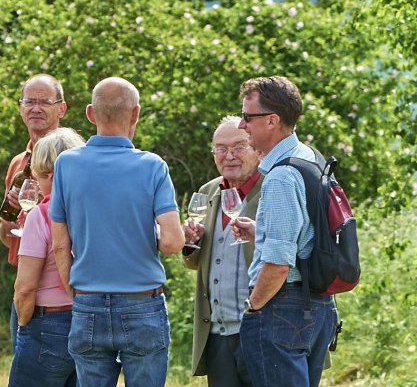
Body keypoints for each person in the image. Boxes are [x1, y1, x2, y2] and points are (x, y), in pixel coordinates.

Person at [49, 77, 184, 387]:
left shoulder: (66, 164)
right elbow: (174, 243)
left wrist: (76, 292)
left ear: (90, 114)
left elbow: (60, 243)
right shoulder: (153, 166)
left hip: (88, 300)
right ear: (135, 114)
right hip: (142, 302)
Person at [229, 76, 338, 387]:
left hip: (282, 308)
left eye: (248, 116)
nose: (241, 124)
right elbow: (309, 233)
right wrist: (261, 233)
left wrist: (253, 308)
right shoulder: (311, 159)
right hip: (318, 306)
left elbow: (278, 265)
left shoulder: (281, 176)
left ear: (272, 121)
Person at [181, 117, 263, 386]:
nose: (229, 156)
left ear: (257, 149)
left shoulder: (274, 188)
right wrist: (190, 243)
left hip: (263, 331)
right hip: (217, 333)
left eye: (239, 147)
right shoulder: (207, 192)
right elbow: (198, 261)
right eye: (220, 148)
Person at [8, 127, 84, 387]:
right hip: (89, 320)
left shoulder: (40, 215)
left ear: (48, 173)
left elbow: (25, 287)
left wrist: (24, 326)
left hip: (48, 323)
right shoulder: (93, 209)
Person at [0, 75, 69, 262]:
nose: (36, 109)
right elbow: (7, 239)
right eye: (30, 102)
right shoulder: (18, 162)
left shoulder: (71, 158)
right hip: (25, 275)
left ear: (61, 109)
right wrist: (8, 222)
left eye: (45, 102)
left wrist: (44, 206)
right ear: (21, 108)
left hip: (58, 272)